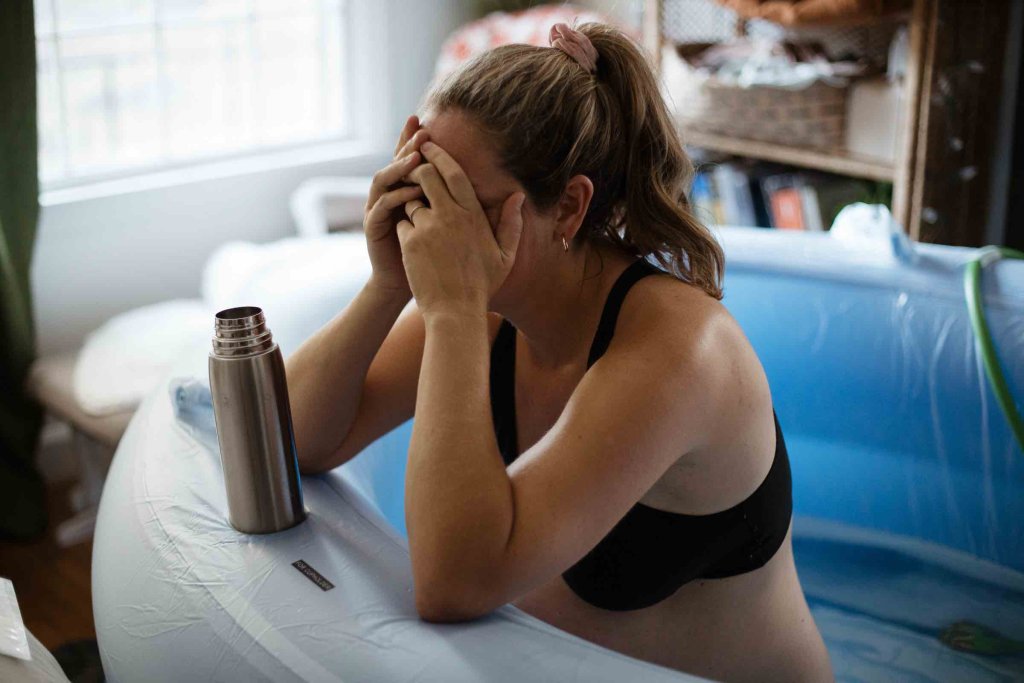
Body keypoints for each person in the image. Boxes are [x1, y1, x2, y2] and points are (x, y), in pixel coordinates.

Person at [285, 21, 833, 683]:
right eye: (424, 190)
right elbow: (293, 440)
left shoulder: (681, 352)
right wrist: (386, 284)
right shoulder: (489, 299)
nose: (434, 227)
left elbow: (452, 583)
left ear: (570, 208)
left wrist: (452, 311)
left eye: (465, 204)